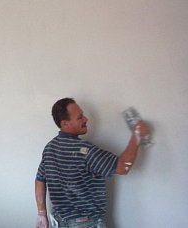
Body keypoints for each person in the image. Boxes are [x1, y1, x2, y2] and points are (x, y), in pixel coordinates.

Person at [35, 98, 150, 228]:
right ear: (65, 123)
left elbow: (40, 180)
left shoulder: (49, 148)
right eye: (80, 117)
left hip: (59, 222)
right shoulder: (84, 151)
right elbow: (123, 167)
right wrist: (137, 135)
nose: (86, 119)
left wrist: (41, 214)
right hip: (86, 224)